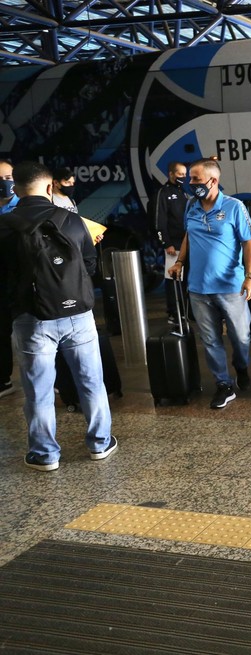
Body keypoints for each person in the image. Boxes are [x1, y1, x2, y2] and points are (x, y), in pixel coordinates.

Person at [0, 161, 117, 471]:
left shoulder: (5, 226)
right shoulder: (73, 220)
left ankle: (45, 454)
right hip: (79, 314)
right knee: (91, 380)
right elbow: (90, 265)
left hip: (31, 318)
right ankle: (100, 444)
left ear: (15, 189)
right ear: (50, 187)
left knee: (38, 387)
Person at [167, 159, 251, 409]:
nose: (190, 183)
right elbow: (188, 234)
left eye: (195, 179)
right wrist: (180, 262)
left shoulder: (234, 207)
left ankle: (241, 366)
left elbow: (248, 242)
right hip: (198, 288)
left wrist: (250, 277)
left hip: (230, 287)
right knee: (210, 339)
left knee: (242, 337)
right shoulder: (191, 206)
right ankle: (224, 384)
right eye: (190, 179)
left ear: (212, 181)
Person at [151, 161, 189, 324]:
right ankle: (174, 313)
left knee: (186, 279)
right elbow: (159, 221)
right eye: (180, 174)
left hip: (187, 243)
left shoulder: (184, 192)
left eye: (185, 174)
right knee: (173, 279)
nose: (183, 177)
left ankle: (187, 311)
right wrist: (166, 243)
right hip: (173, 245)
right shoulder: (163, 193)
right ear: (171, 174)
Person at [0, 159, 17, 398]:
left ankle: (58, 380)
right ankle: (3, 379)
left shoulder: (26, 207)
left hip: (22, 279)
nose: (5, 183)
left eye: (8, 178)